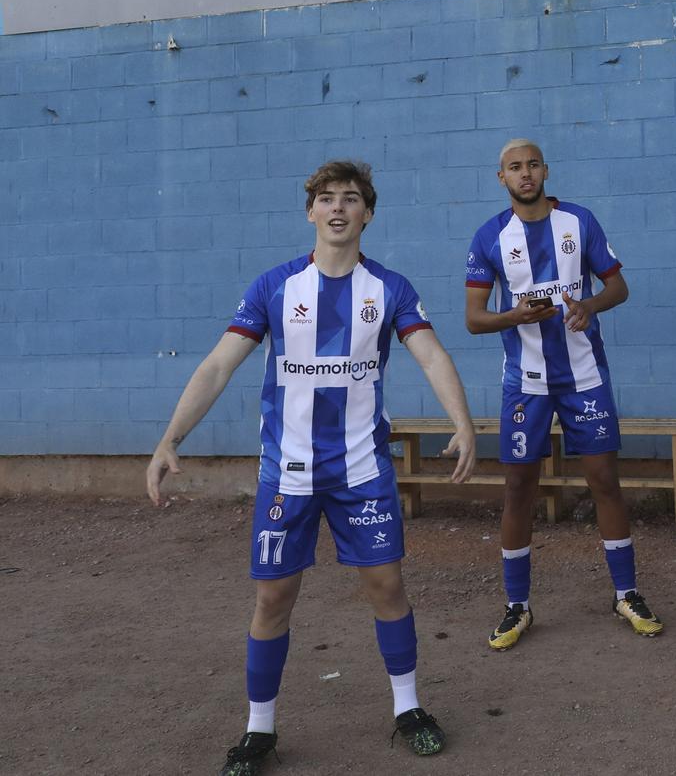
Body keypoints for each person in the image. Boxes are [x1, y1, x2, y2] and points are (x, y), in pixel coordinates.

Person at [144, 160, 479, 775]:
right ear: (310, 212)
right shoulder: (275, 287)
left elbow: (431, 356)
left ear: (367, 213)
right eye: (326, 199)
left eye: (351, 199)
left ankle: (408, 710)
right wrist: (170, 437)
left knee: (387, 588)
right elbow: (220, 364)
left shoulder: (390, 289)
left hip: (362, 471)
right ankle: (259, 730)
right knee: (273, 597)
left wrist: (462, 422)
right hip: (287, 474)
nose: (337, 209)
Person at [464, 140, 658, 651]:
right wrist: (514, 316)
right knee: (519, 488)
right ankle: (517, 605)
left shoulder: (579, 222)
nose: (525, 174)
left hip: (584, 375)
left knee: (604, 481)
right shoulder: (490, 236)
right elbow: (474, 318)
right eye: (514, 168)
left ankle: (627, 593)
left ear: (545, 170)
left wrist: (590, 306)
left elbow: (619, 288)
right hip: (525, 383)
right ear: (500, 176)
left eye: (532, 165)